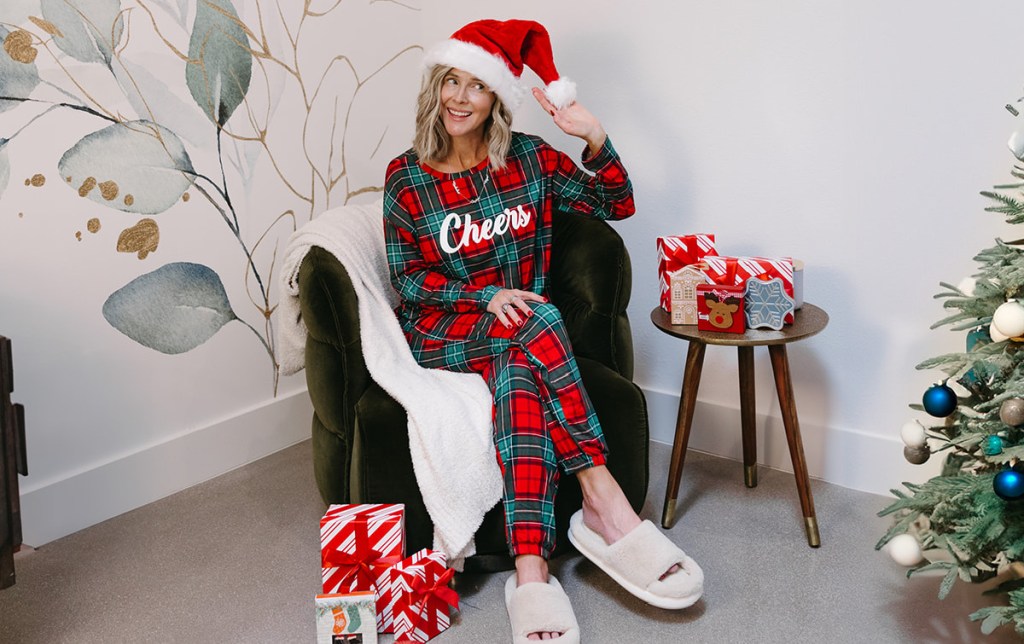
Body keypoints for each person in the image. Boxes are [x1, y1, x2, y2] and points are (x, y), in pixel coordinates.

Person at [383, 19, 703, 643]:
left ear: (498, 97)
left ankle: (530, 573)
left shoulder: (529, 160)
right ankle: (603, 498)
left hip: (520, 340)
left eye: (477, 86)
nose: (459, 98)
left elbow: (616, 204)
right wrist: (485, 295)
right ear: (436, 87)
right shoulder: (407, 176)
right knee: (539, 316)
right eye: (451, 80)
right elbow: (409, 279)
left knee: (519, 376)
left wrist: (595, 134)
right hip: (443, 328)